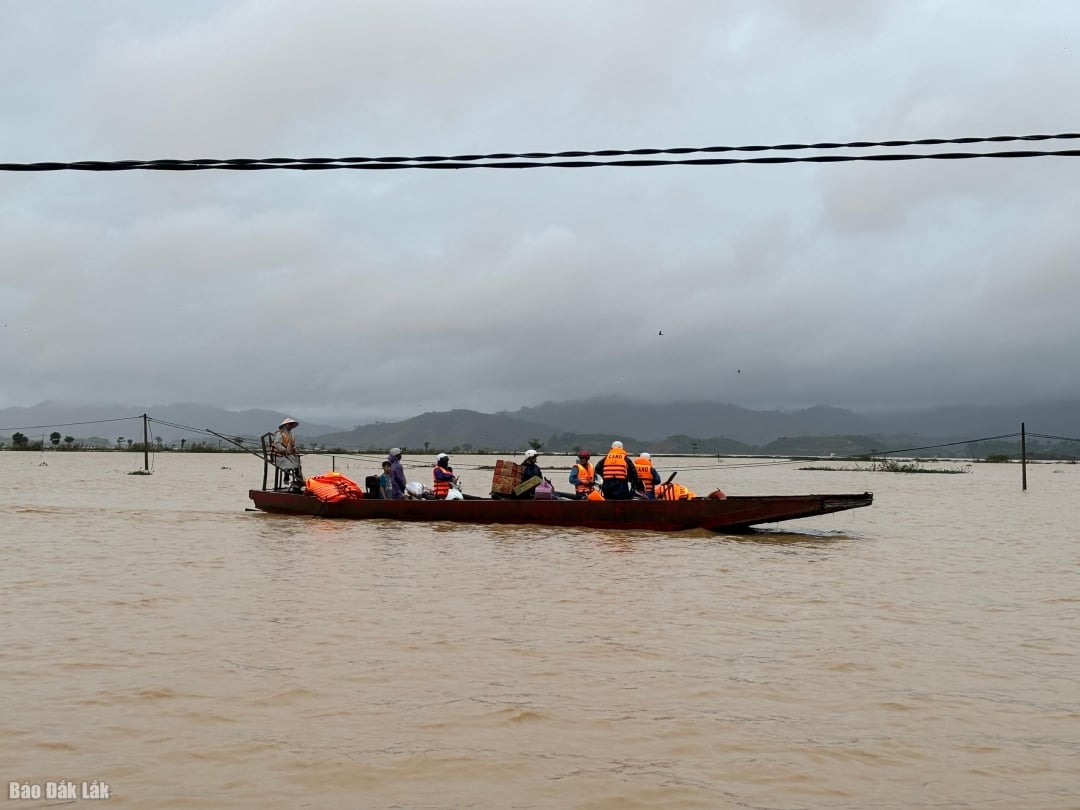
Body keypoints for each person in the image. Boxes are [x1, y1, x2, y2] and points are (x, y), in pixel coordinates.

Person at [271, 417, 302, 490]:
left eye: (292, 424)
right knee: (288, 464)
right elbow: (277, 444)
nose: (291, 426)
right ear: (285, 425)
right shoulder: (279, 433)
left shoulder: (291, 435)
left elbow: (293, 445)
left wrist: (295, 450)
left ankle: (298, 481)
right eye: (290, 424)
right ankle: (286, 478)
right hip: (278, 456)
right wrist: (284, 450)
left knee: (297, 464)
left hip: (287, 455)